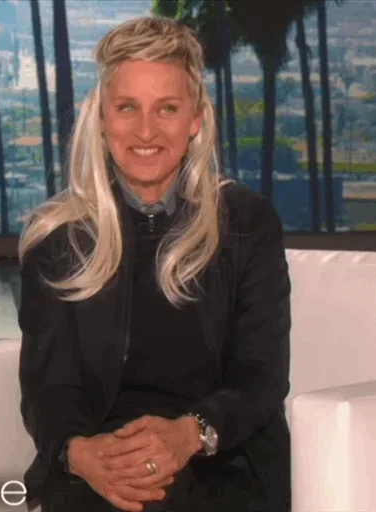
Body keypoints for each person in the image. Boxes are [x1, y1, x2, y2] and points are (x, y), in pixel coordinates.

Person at [18, 16, 291, 512]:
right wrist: (80, 454)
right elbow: (49, 387)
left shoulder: (247, 223)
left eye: (167, 108)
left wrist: (190, 435)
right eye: (127, 107)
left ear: (195, 119)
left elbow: (261, 376)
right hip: (100, 463)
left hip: (219, 458)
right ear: (103, 119)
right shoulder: (56, 237)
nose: (146, 131)